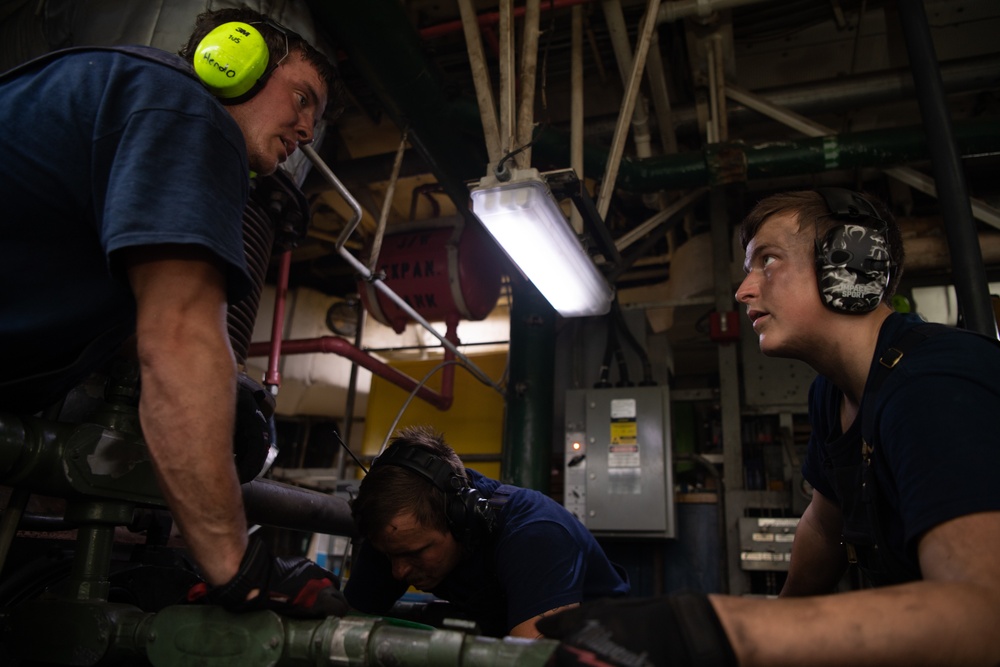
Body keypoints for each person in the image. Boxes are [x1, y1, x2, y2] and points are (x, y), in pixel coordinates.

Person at [537, 188, 1000, 665]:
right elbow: (824, 525)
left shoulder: (933, 383)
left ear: (852, 263)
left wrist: (724, 630)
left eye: (769, 260)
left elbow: (987, 615)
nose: (743, 290)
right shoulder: (831, 393)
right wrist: (785, 614)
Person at [0, 6, 348, 617]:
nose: (307, 130)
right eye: (300, 98)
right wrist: (233, 563)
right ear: (234, 61)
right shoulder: (185, 109)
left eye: (316, 117)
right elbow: (179, 335)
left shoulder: (124, 91)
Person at [344, 425, 630, 638]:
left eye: (416, 553)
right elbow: (346, 627)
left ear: (461, 518)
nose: (398, 572)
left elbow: (534, 659)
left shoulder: (536, 535)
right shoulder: (398, 533)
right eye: (389, 555)